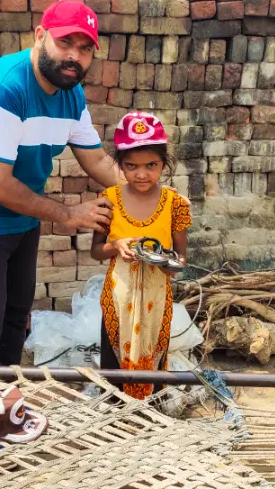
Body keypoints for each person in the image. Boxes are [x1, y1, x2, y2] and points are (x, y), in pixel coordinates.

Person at [0, 0, 120, 365]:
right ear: (39, 36)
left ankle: (4, 396)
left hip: (22, 213)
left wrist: (150, 193)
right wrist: (70, 214)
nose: (74, 56)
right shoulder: (2, 89)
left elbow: (97, 160)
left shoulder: (70, 93)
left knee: (16, 318)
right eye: (65, 43)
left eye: (85, 49)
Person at [91, 112, 192, 400]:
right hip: (118, 297)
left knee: (153, 356)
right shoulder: (108, 199)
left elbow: (180, 256)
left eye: (151, 165)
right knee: (114, 363)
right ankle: (113, 411)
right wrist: (117, 245)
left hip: (156, 298)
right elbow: (96, 251)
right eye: (131, 166)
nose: (141, 174)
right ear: (120, 165)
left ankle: (150, 410)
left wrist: (172, 265)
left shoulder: (175, 204)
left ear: (163, 164)